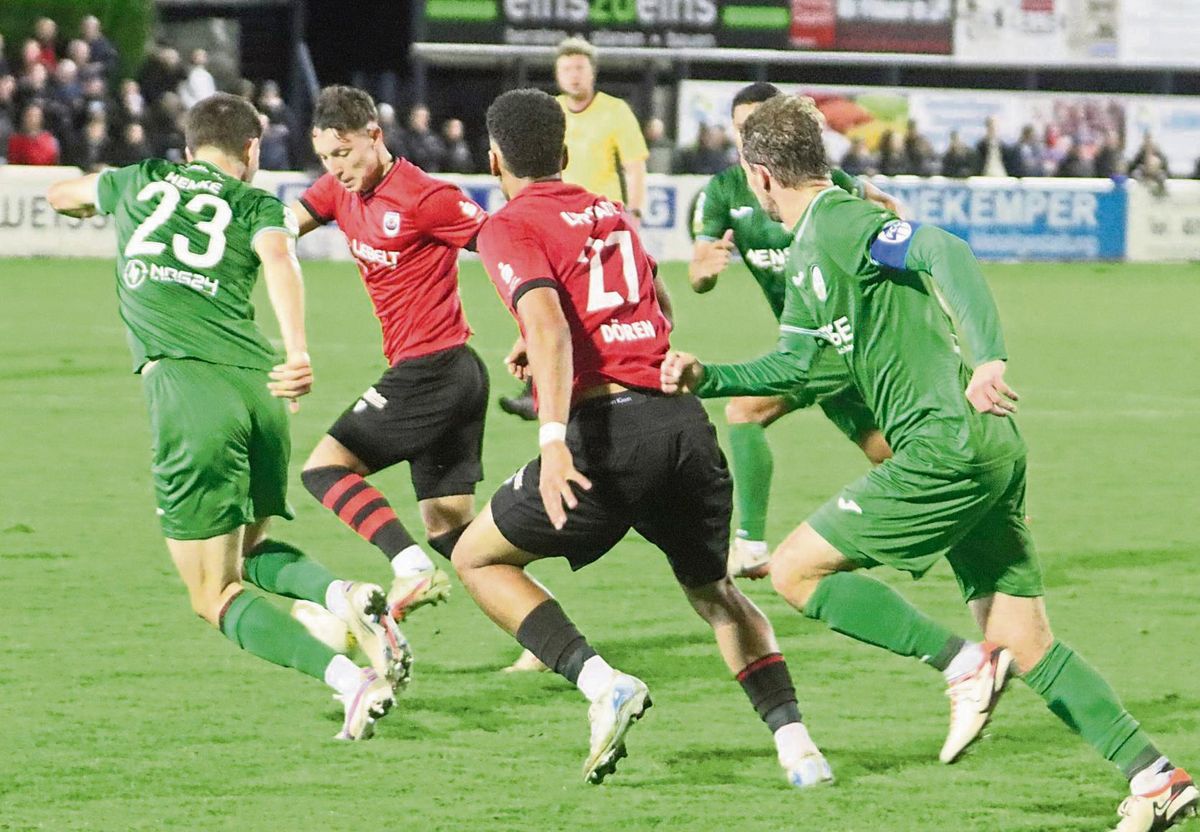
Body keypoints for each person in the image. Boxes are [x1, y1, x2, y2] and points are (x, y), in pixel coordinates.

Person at [662, 93, 1197, 832]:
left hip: (943, 447)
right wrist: (709, 379)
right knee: (1025, 637)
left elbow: (945, 249)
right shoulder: (817, 247)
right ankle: (1154, 775)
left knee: (793, 572)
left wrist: (990, 359)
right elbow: (800, 364)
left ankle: (960, 663)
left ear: (757, 178)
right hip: (985, 449)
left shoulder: (846, 222)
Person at [454, 87, 832, 789]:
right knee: (716, 594)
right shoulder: (611, 214)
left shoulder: (507, 224)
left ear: (494, 158)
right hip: (679, 426)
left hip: (603, 437)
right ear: (565, 155)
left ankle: (602, 684)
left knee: (478, 559)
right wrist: (547, 338)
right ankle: (799, 749)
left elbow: (549, 326)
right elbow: (655, 304)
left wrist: (554, 440)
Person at [45, 93, 411, 741]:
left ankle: (351, 683)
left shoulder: (141, 180)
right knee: (251, 549)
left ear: (188, 150)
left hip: (189, 394)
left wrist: (88, 202)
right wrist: (297, 351)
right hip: (262, 390)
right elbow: (280, 257)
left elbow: (61, 196)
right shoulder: (258, 203)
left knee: (212, 595)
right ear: (251, 152)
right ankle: (343, 597)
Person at [289, 85, 487, 623]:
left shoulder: (426, 198)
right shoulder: (337, 191)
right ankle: (544, 634)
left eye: (345, 152)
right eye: (327, 156)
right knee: (454, 532)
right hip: (448, 372)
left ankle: (409, 568)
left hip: (435, 368)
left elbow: (500, 249)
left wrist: (531, 328)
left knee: (325, 470)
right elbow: (283, 230)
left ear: (374, 136)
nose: (337, 167)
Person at [689, 83, 895, 578]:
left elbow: (886, 212)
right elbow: (697, 273)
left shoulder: (824, 183)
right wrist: (707, 269)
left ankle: (750, 546)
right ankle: (971, 516)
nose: (748, 137)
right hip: (806, 337)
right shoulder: (721, 192)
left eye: (759, 126)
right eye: (741, 129)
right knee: (884, 452)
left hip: (837, 336)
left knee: (743, 412)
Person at [497, 37, 649, 422]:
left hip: (599, 225)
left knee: (599, 309)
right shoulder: (550, 112)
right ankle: (538, 389)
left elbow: (634, 164)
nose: (573, 75)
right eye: (566, 68)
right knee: (547, 302)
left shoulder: (615, 111)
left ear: (592, 72)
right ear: (557, 74)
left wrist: (635, 210)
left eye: (580, 68)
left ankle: (607, 381)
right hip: (555, 224)